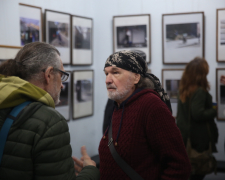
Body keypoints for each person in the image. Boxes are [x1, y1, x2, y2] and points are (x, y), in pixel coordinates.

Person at [0, 42, 100, 180]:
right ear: (48, 75)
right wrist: (90, 171)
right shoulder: (51, 122)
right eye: (62, 75)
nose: (62, 85)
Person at [97, 50, 191, 179]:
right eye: (106, 73)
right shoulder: (118, 104)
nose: (107, 80)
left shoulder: (151, 106)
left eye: (115, 72)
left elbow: (179, 167)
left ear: (136, 77)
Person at [176, 57, 218, 180]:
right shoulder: (199, 91)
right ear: (201, 74)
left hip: (185, 137)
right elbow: (198, 114)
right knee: (198, 172)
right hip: (198, 139)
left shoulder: (184, 89)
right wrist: (213, 111)